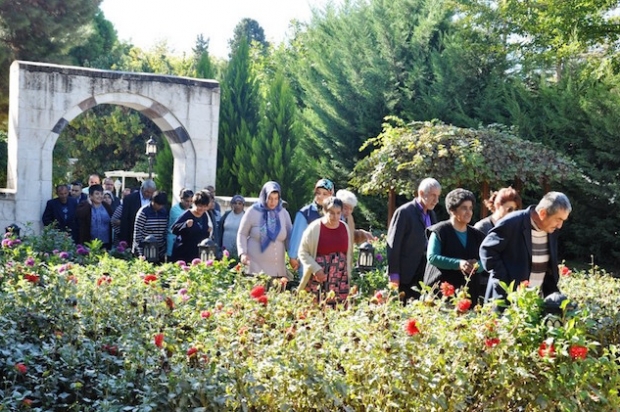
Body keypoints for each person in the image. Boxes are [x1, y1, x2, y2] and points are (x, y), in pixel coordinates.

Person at [480, 191, 572, 305]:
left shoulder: (551, 230)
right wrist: (503, 279)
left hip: (534, 301)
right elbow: (487, 250)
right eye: (558, 219)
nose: (560, 225)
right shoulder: (512, 222)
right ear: (542, 213)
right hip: (506, 300)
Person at [423, 189, 486, 305]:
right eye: (464, 208)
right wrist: (458, 264)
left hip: (468, 296)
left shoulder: (477, 236)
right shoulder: (439, 231)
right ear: (452, 210)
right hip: (441, 295)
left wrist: (477, 266)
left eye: (470, 208)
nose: (469, 212)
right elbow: (432, 257)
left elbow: (486, 261)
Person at [387, 178, 441, 303]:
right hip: (406, 274)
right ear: (421, 193)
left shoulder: (432, 215)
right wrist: (394, 275)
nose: (436, 200)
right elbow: (393, 245)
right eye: (433, 195)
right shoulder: (404, 212)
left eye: (438, 196)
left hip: (425, 274)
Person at [298, 197, 353, 305]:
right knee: (316, 309)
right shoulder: (314, 228)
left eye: (338, 213)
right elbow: (303, 252)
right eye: (331, 213)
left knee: (338, 310)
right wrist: (316, 269)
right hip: (319, 277)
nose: (335, 217)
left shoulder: (344, 227)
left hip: (339, 279)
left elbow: (348, 254)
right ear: (324, 211)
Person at [237, 181, 293, 279]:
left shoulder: (283, 213)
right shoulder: (252, 211)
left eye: (276, 199)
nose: (273, 202)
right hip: (255, 269)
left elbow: (289, 237)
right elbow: (242, 234)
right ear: (264, 196)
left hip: (277, 270)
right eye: (270, 198)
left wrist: (293, 256)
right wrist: (242, 253)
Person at [288, 178, 335, 275]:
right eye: (318, 193)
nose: (321, 196)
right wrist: (293, 256)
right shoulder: (306, 213)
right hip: (309, 262)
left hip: (331, 264)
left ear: (331, 194)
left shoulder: (336, 214)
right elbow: (298, 236)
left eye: (325, 194)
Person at [170, 190, 211, 264]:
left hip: (196, 254)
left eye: (205, 206)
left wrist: (208, 231)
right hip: (183, 253)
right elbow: (173, 229)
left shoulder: (204, 216)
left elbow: (202, 234)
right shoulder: (187, 214)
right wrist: (185, 225)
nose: (202, 209)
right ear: (194, 204)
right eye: (200, 206)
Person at [132, 191, 169, 261]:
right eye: (158, 204)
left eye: (162, 205)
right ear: (153, 201)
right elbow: (137, 233)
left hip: (159, 250)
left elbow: (165, 231)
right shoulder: (143, 212)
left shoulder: (164, 212)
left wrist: (164, 249)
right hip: (145, 249)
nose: (160, 207)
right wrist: (140, 253)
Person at [119, 179, 156, 248]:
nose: (149, 194)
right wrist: (124, 240)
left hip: (149, 236)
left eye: (151, 193)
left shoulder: (154, 200)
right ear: (142, 188)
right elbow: (125, 220)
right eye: (147, 192)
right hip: (132, 234)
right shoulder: (130, 199)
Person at [75, 184, 113, 248]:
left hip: (105, 242)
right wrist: (89, 204)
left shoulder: (106, 206)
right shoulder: (84, 205)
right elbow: (80, 215)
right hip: (89, 242)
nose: (100, 196)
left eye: (101, 194)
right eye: (97, 194)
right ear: (90, 196)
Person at [167, 189, 194, 259]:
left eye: (191, 201)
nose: (189, 204)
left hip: (186, 243)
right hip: (173, 241)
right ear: (181, 199)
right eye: (187, 201)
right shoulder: (175, 210)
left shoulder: (192, 209)